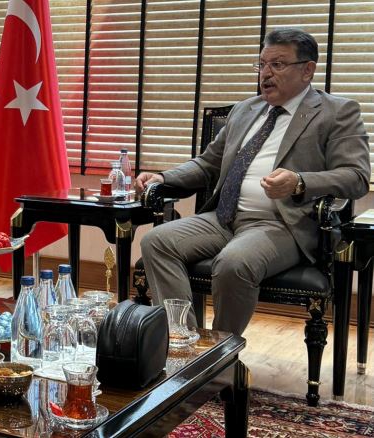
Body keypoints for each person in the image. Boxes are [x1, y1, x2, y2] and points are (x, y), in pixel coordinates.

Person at [136, 28, 371, 335]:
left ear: (307, 70)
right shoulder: (245, 110)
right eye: (262, 64)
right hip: (224, 218)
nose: (266, 73)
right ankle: (183, 342)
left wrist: (299, 182)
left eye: (278, 64)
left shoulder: (336, 112)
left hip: (282, 224)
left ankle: (223, 353)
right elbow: (208, 164)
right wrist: (164, 177)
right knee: (156, 241)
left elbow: (356, 176)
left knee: (234, 262)